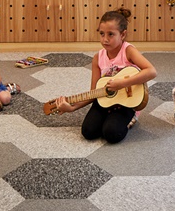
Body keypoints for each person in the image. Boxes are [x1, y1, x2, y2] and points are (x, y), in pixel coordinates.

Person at [53, 8, 157, 143]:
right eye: (102, 34)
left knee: (112, 134)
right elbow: (93, 93)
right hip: (104, 100)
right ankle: (110, 118)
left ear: (123, 34)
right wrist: (72, 108)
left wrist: (122, 83)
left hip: (126, 102)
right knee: (88, 132)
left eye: (111, 34)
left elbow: (151, 71)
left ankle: (130, 118)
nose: (105, 39)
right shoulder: (98, 58)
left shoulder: (128, 51)